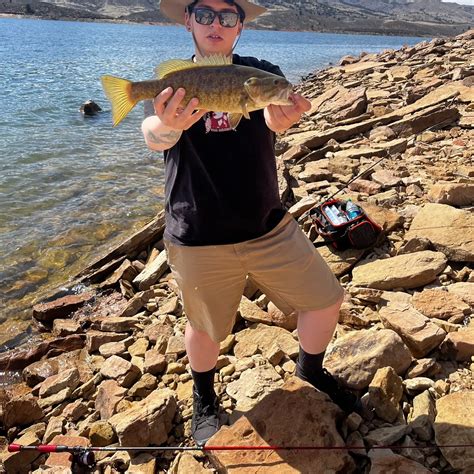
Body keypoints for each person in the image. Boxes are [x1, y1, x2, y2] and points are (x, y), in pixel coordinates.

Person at [142, 0, 360, 447]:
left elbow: (268, 116)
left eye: (227, 16)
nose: (215, 24)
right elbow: (153, 132)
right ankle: (204, 400)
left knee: (326, 299)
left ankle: (310, 370)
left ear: (240, 24)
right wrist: (168, 127)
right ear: (188, 20)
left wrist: (283, 117)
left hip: (268, 225)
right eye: (204, 14)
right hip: (198, 233)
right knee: (205, 328)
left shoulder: (262, 74)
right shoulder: (176, 82)